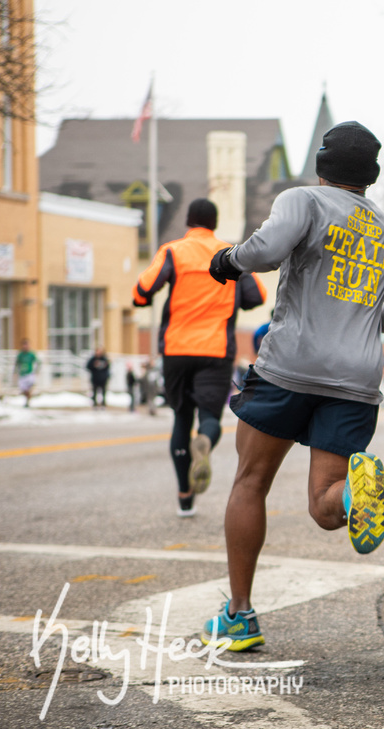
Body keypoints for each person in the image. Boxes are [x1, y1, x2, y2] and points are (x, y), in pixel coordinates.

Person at [201, 121, 384, 651]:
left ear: (322, 166)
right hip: (354, 382)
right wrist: (362, 314)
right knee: (324, 507)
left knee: (250, 482)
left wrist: (226, 260)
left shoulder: (302, 200)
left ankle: (240, 615)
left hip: (289, 369)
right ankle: (353, 491)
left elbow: (265, 251)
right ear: (370, 176)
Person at [133, 198, 268, 518]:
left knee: (181, 417)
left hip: (177, 349)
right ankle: (205, 439)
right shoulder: (230, 254)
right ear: (214, 223)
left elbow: (142, 290)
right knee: (209, 415)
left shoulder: (173, 251)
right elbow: (257, 296)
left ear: (189, 222)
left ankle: (184, 497)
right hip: (215, 350)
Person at [13, 339, 37, 408]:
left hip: (29, 373)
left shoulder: (31, 354)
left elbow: (37, 362)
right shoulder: (20, 355)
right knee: (23, 389)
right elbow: (17, 364)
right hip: (22, 374)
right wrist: (15, 372)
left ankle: (27, 401)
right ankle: (27, 399)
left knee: (28, 388)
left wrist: (36, 371)